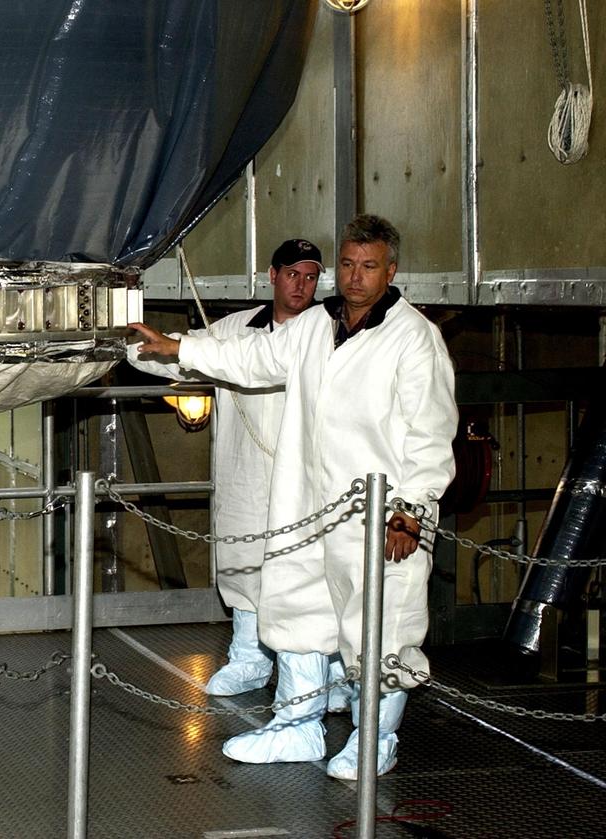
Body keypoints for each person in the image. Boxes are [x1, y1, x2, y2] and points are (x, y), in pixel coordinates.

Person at [130, 215, 456, 779]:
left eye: (369, 266)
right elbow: (252, 359)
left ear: (392, 270)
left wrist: (411, 510)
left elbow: (431, 435)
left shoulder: (414, 338)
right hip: (309, 509)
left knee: (381, 627)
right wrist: (179, 347)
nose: (355, 278)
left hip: (379, 517)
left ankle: (375, 740)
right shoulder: (314, 327)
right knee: (299, 616)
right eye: (348, 264)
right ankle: (297, 728)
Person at [128, 239, 321, 697]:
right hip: (246, 470)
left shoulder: (325, 331)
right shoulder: (237, 328)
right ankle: (249, 658)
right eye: (292, 274)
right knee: (241, 559)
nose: (301, 285)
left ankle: (316, 679)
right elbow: (183, 360)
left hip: (307, 473)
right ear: (272, 276)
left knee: (304, 570)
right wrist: (127, 347)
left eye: (311, 276)